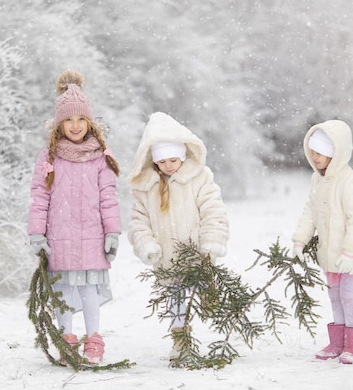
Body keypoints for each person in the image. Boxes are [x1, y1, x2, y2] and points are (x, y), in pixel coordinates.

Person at [27, 70, 121, 364]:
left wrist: (112, 233)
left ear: (90, 122)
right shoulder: (50, 156)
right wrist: (36, 234)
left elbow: (108, 197)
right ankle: (67, 338)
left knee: (89, 287)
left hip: (93, 234)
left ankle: (94, 338)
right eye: (69, 120)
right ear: (59, 124)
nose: (76, 125)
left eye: (81, 119)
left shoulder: (99, 155)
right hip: (60, 235)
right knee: (65, 289)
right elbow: (40, 196)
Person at [127, 111, 229, 360]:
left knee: (201, 291)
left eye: (173, 160)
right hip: (167, 258)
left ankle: (209, 293)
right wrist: (147, 244)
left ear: (182, 155)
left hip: (196, 253)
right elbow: (138, 221)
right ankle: (180, 341)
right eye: (162, 162)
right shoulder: (147, 185)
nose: (169, 166)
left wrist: (212, 241)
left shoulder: (200, 178)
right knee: (175, 301)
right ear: (154, 161)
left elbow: (213, 210)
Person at [292, 119, 353, 364]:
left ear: (334, 153)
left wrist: (350, 252)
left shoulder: (351, 182)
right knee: (334, 296)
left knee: (348, 296)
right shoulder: (317, 180)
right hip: (330, 253)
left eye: (320, 153)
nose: (315, 157)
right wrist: (300, 240)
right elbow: (310, 212)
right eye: (313, 152)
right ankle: (337, 342)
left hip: (351, 255)